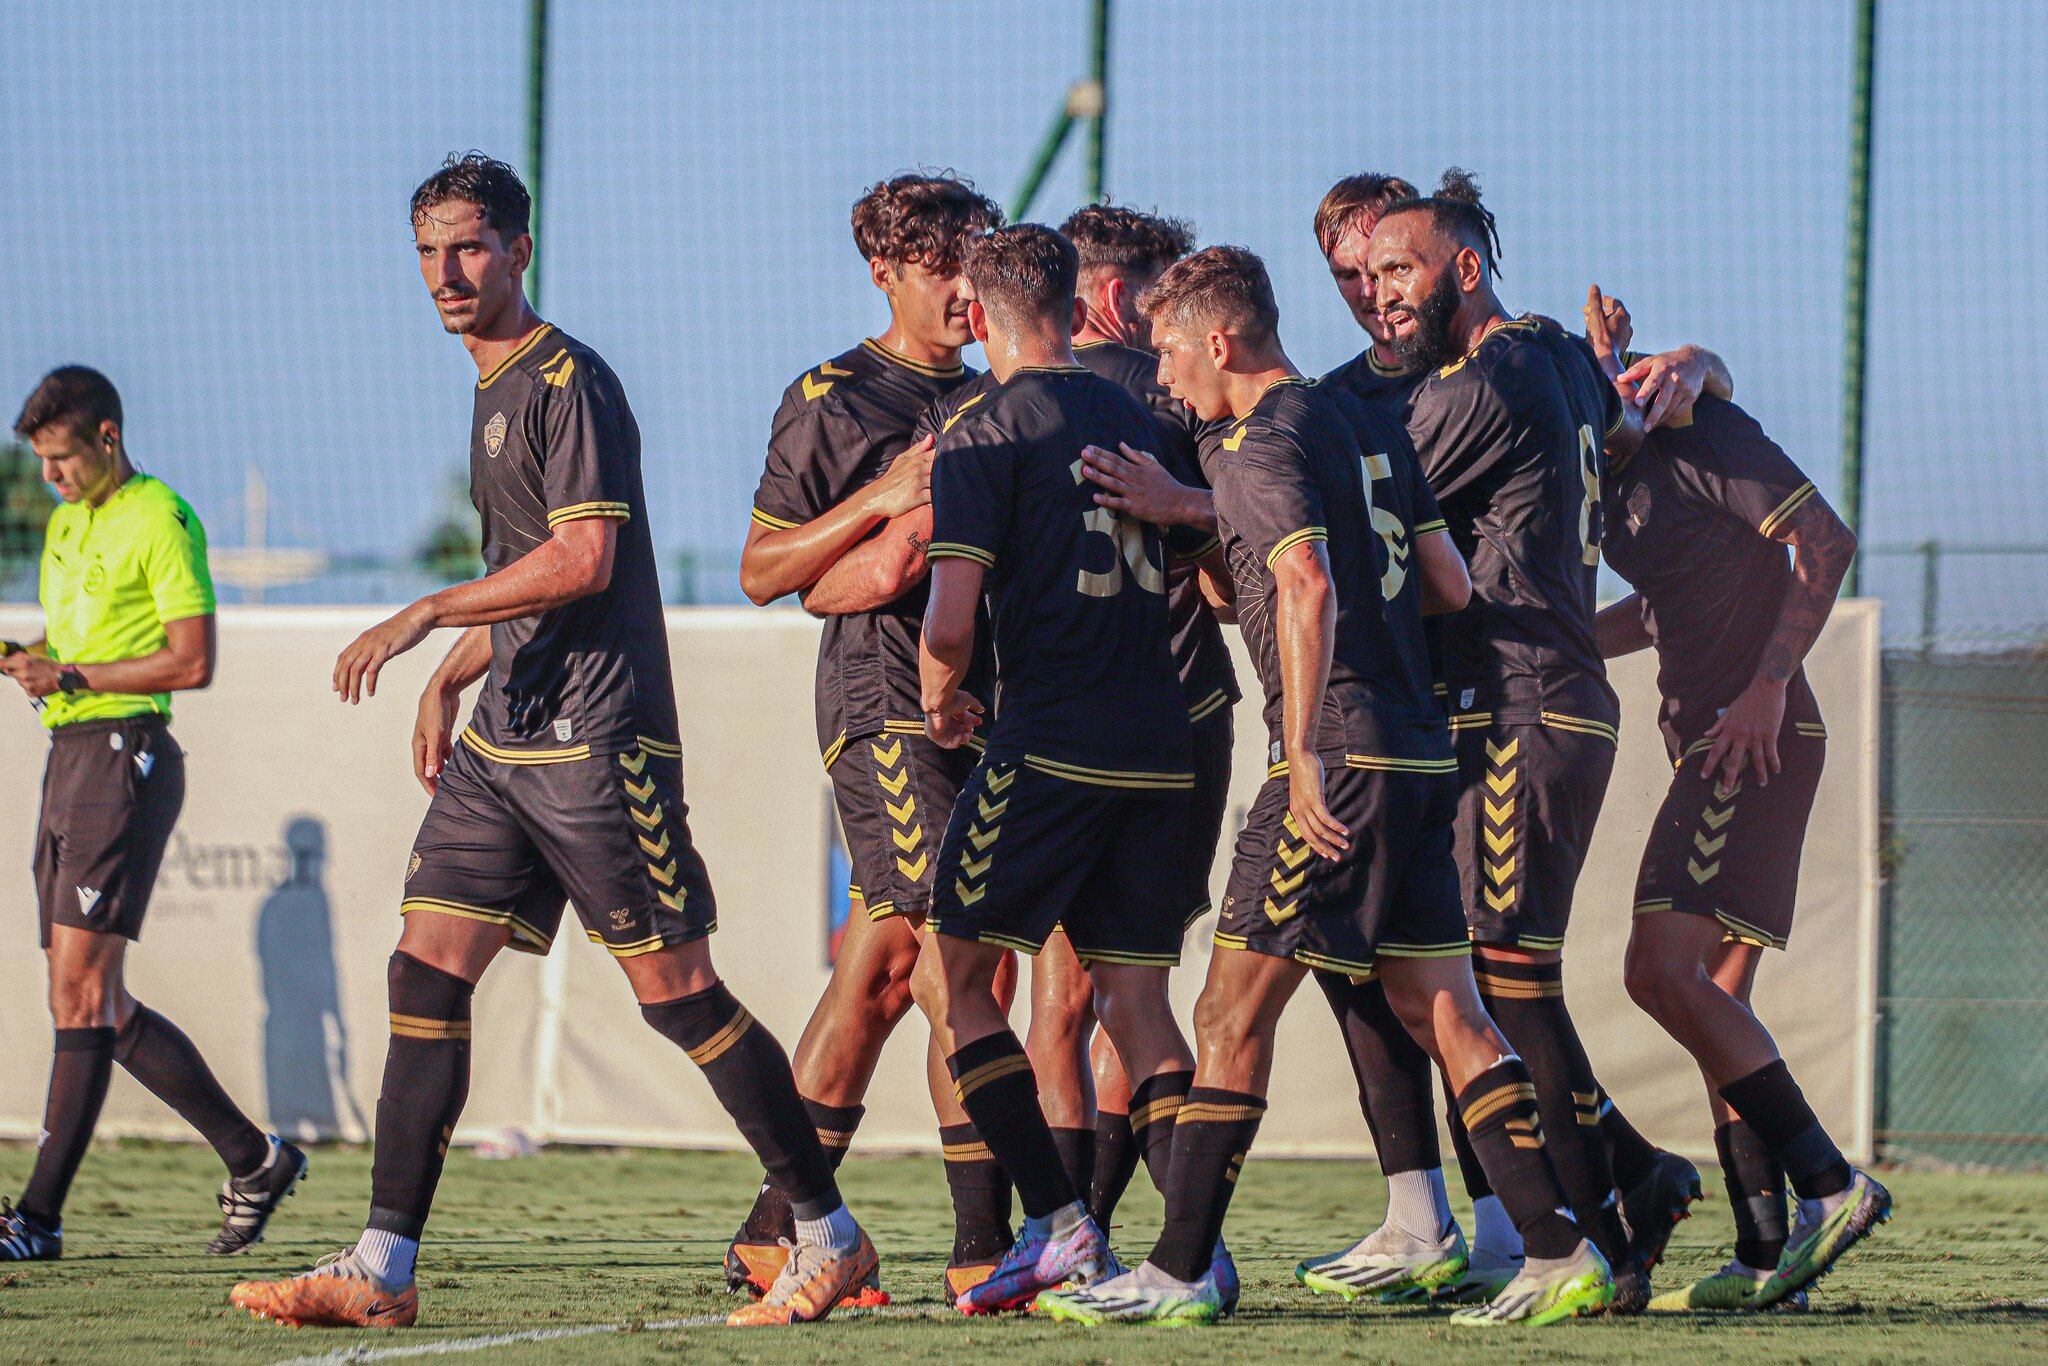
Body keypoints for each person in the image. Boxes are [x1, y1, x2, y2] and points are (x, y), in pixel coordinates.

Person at [229, 153, 871, 1330]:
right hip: (502, 741)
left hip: (594, 741)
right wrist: (458, 666)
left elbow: (585, 560)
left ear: (520, 249)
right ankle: (381, 1265)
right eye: (427, 251)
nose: (446, 272)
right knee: (424, 969)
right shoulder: (488, 384)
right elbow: (528, 580)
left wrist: (429, 613)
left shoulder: (566, 380)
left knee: (677, 994)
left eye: (468, 246)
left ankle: (825, 1232)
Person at [1040, 245, 1612, 1328]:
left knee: (1225, 1007)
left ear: (1218, 340)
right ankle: (1555, 1248)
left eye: (1165, 349)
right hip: (1416, 754)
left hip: (1333, 762)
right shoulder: (1366, 423)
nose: (1160, 375)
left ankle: (1177, 1267)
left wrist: (1300, 749)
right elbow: (1442, 582)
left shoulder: (1256, 444)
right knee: (1441, 1005)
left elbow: (1299, 578)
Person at [1363, 169, 1657, 1307]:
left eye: (1401, 267)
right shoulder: (1551, 356)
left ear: (1465, 268)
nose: (1384, 291)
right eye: (1371, 272)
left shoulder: (1477, 381)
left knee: (1507, 983)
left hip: (1520, 703)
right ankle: (1630, 1199)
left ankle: (1586, 1243)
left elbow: (1355, 514)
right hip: (1547, 695)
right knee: (1506, 976)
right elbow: (1626, 431)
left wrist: (1201, 504)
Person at [733, 172, 1018, 1305]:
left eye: (975, 263)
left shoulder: (1004, 393)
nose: (964, 287)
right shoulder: (828, 397)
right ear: (885, 272)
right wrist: (881, 503)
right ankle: (987, 1245)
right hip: (882, 704)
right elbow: (766, 571)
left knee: (887, 967)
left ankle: (775, 1228)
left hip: (982, 699)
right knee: (951, 960)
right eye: (941, 266)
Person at [913, 223, 1202, 1316]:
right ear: (1073, 303)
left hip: (1051, 742)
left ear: (980, 314)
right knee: (1134, 1000)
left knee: (954, 977)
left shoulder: (982, 427)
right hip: (1157, 740)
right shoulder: (1136, 415)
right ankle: (1191, 1253)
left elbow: (947, 617)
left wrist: (941, 690)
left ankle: (1060, 1224)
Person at [1582, 292, 1891, 1311]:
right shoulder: (1608, 480)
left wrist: (1761, 689)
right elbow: (1662, 603)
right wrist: (1562, 643)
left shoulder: (1699, 431)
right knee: (1714, 998)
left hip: (1748, 738)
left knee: (1656, 972)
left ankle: (1827, 1186)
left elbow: (1826, 541)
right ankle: (1767, 1257)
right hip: (1717, 740)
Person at [1, 366, 305, 1263]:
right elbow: (80, 643)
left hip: (123, 755)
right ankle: (256, 1158)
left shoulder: (161, 516)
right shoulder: (66, 521)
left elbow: (190, 659)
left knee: (85, 993)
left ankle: (38, 1220)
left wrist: (76, 677)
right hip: (69, 755)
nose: (51, 479)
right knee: (83, 995)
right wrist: (38, 659)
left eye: (62, 460)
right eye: (41, 465)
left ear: (106, 437)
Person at [1031, 204, 1240, 1245]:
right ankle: (1141, 1240)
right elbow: (1235, 592)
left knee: (1060, 998)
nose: (1165, 339)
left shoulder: (1019, 402)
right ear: (1120, 298)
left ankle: (1067, 1234)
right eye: (1157, 307)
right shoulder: (1188, 408)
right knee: (1138, 985)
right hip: (1191, 715)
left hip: (1072, 723)